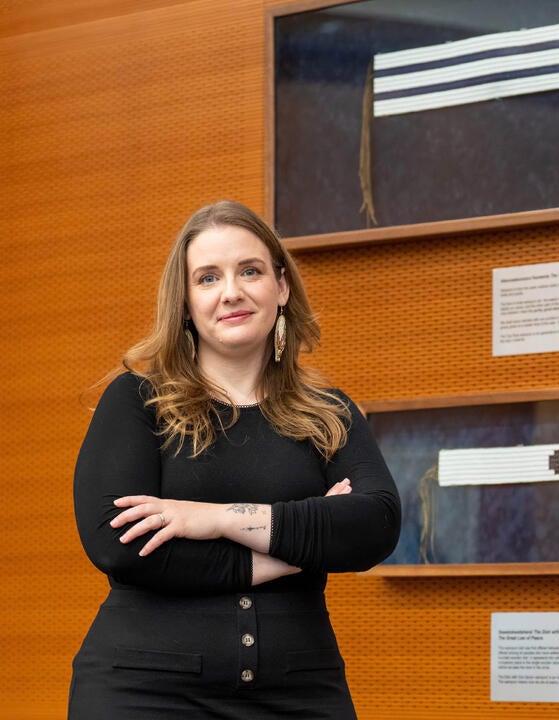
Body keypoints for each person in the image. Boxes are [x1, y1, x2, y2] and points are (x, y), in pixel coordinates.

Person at [69, 200, 400, 719]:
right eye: (207, 278)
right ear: (184, 302)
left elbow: (375, 525)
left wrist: (214, 519)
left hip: (300, 692)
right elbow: (122, 545)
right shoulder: (136, 400)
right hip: (143, 691)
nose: (232, 292)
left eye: (250, 271)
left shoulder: (328, 414)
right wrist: (292, 551)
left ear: (282, 287)